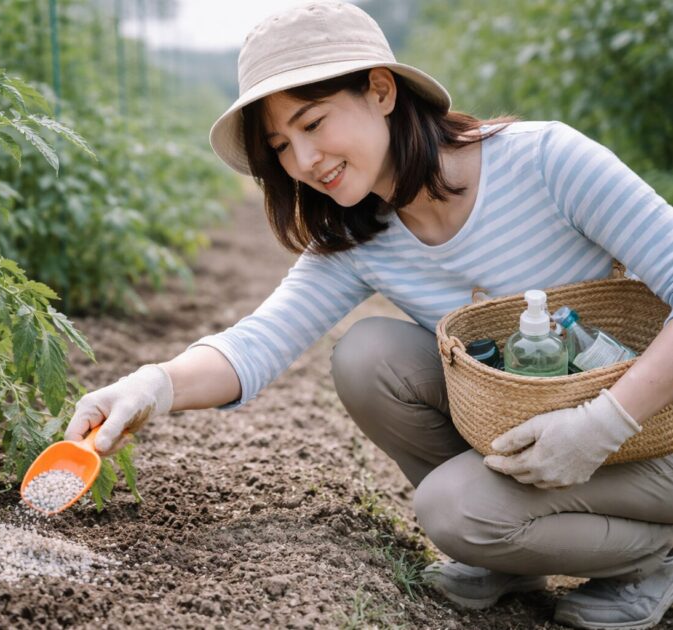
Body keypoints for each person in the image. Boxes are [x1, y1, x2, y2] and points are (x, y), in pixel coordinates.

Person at [64, 3, 673, 628]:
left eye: (313, 122)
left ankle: (653, 558)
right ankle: (509, 552)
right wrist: (150, 386)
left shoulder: (545, 161)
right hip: (545, 431)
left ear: (381, 91)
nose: (304, 160)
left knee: (453, 509)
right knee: (369, 357)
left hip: (656, 431)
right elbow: (258, 342)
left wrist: (602, 424)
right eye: (281, 146)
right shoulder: (364, 238)